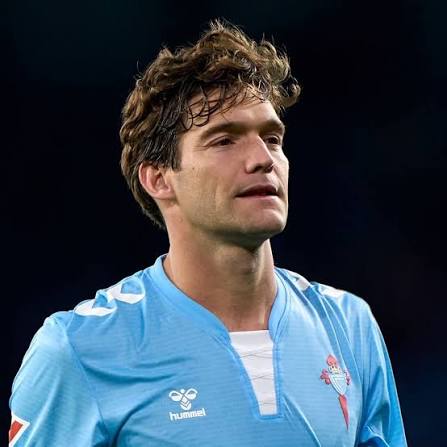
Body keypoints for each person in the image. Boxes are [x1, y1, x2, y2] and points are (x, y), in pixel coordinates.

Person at [9, 19, 407, 446]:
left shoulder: (349, 325)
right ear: (159, 179)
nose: (262, 159)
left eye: (272, 138)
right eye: (224, 141)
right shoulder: (80, 349)